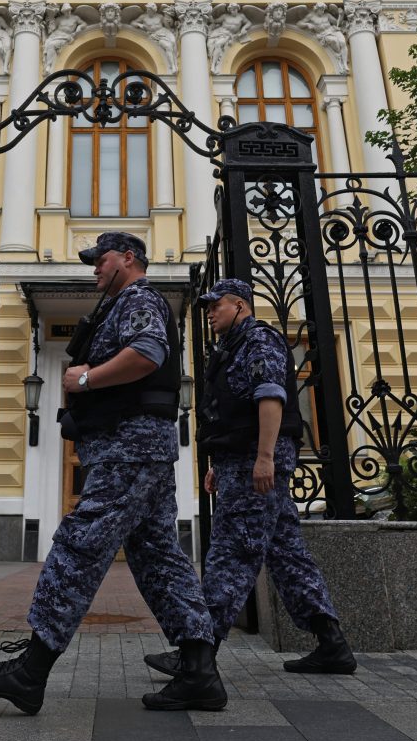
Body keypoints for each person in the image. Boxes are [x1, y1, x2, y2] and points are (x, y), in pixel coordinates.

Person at [0, 231, 227, 715]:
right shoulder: (121, 302)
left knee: (78, 545)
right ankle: (198, 672)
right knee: (158, 557)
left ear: (128, 258)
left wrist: (84, 378)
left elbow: (148, 353)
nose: (94, 269)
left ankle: (31, 671)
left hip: (130, 448)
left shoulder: (140, 298)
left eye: (100, 260)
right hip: (135, 448)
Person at [144, 278, 355, 679]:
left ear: (239, 305)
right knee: (287, 553)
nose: (209, 313)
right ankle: (332, 645)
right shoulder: (232, 347)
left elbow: (271, 398)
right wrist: (216, 465)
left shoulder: (259, 341)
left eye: (215, 305)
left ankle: (199, 654)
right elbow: (230, 412)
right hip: (240, 462)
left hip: (256, 465)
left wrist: (264, 458)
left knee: (231, 552)